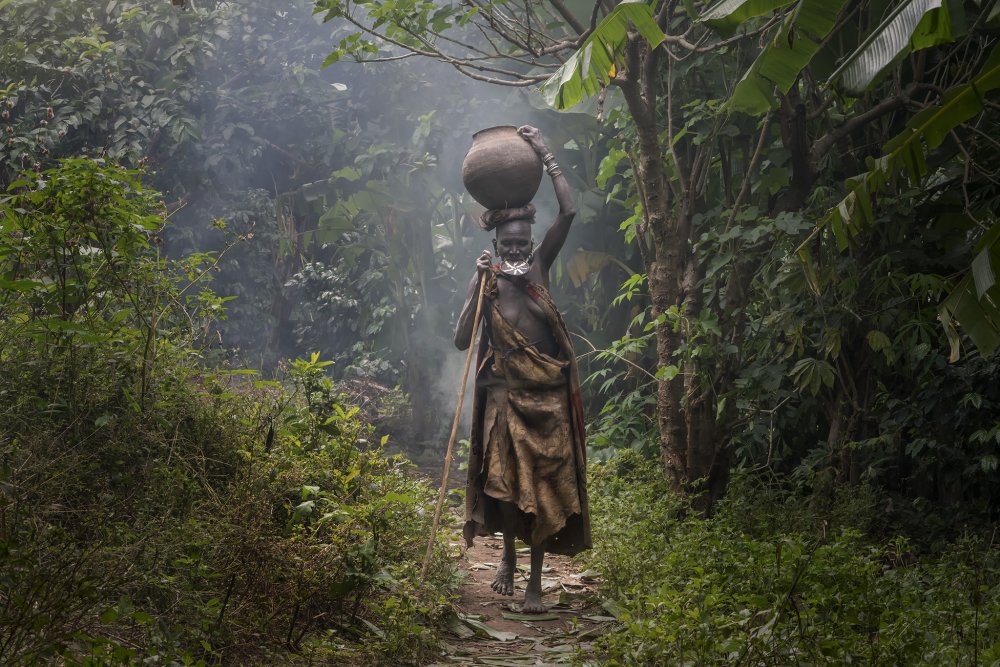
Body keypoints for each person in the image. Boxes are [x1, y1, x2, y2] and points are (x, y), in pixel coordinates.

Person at [454, 125, 590, 613]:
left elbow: (569, 211)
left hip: (546, 400)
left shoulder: (538, 268)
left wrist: (548, 157)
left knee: (543, 491)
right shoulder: (487, 278)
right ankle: (508, 558)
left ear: (531, 241)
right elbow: (462, 338)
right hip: (503, 397)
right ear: (496, 239)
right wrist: (477, 280)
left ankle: (535, 580)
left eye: (521, 245)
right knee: (508, 490)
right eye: (507, 245)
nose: (514, 252)